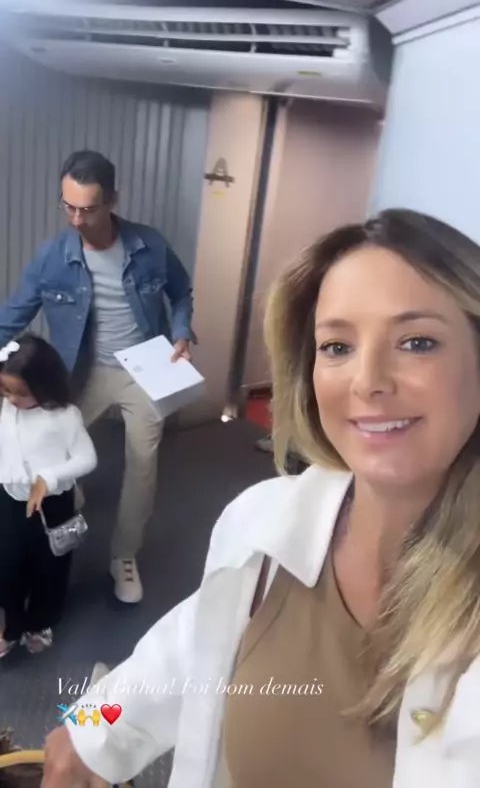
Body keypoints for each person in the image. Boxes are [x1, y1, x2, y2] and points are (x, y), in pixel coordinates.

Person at [41, 209, 480, 788]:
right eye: (337, 346)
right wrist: (91, 726)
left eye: (417, 342)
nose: (367, 380)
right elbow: (188, 649)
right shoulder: (268, 519)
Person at [0, 150, 196, 604]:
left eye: (88, 209)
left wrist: (181, 332)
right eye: (68, 206)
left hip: (144, 369)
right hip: (81, 369)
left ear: (111, 200)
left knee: (143, 464)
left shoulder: (149, 246)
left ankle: (123, 555)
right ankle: (68, 493)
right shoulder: (53, 256)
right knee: (48, 442)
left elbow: (181, 292)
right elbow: (13, 315)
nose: (77, 219)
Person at [0, 336, 97, 658]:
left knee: (50, 566)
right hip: (11, 498)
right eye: (5, 390)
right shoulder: (7, 407)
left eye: (20, 392)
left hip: (52, 502)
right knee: (7, 564)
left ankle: (40, 622)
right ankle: (12, 624)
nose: (11, 399)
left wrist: (49, 477)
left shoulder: (64, 416)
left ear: (44, 385)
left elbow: (87, 458)